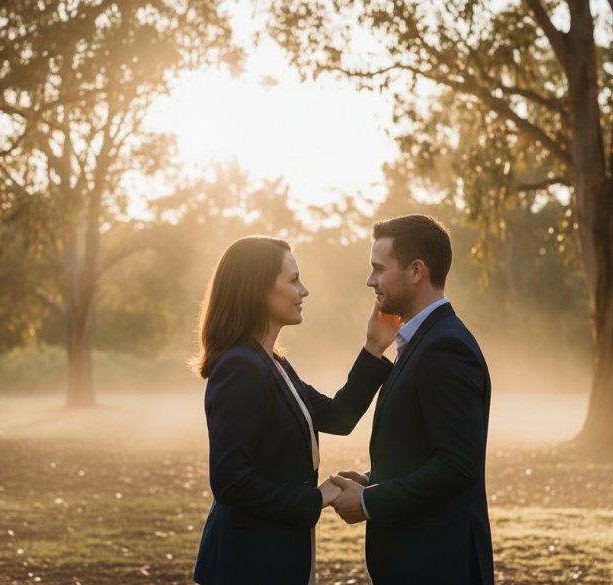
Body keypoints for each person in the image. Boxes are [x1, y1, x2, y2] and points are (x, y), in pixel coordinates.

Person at [193, 235, 400, 585]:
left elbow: (339, 416)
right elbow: (230, 480)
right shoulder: (240, 368)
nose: (303, 291)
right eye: (293, 280)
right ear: (257, 289)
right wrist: (313, 498)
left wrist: (374, 347)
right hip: (247, 561)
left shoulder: (273, 364)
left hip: (274, 554)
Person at [330, 215, 494, 585]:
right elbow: (427, 449)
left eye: (378, 268)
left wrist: (370, 502)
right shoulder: (422, 342)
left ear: (416, 271)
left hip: (438, 565)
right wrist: (375, 479)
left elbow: (457, 464)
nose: (370, 280)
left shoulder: (446, 346)